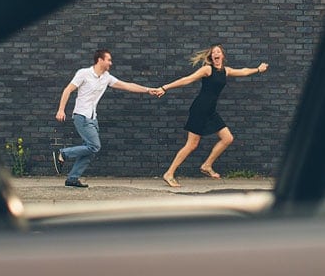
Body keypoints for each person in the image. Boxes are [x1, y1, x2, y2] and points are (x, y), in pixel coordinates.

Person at [153, 44, 268, 187]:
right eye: (213, 52)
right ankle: (169, 173)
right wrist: (165, 87)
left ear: (222, 56)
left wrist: (258, 69)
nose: (216, 54)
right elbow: (187, 79)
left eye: (218, 52)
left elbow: (243, 71)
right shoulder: (207, 69)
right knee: (191, 145)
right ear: (211, 57)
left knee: (227, 138)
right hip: (200, 109)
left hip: (211, 111)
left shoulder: (226, 71)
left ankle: (207, 165)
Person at [54, 48, 157, 188]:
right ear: (100, 60)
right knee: (94, 146)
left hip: (92, 118)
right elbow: (68, 90)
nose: (111, 63)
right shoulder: (84, 73)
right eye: (108, 60)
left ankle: (72, 178)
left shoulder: (106, 77)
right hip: (82, 116)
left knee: (90, 150)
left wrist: (147, 90)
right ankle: (64, 153)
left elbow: (127, 85)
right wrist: (61, 110)